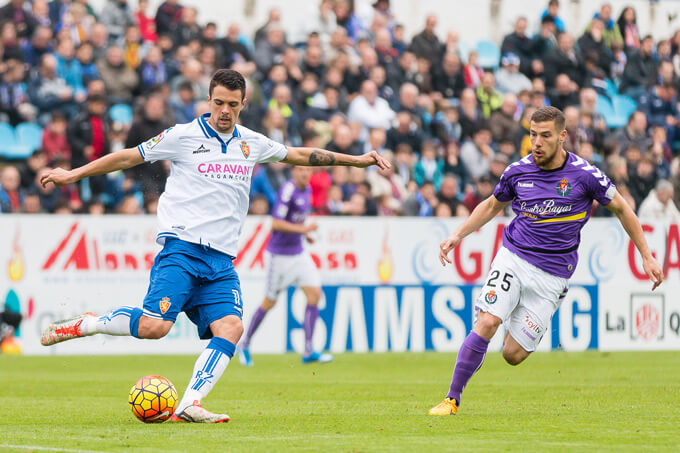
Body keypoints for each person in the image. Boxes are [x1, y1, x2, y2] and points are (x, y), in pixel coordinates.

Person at [38, 69, 389, 423]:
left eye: (232, 105)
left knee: (231, 328)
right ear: (208, 99)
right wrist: (72, 175)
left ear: (243, 104)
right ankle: (89, 324)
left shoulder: (251, 142)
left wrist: (356, 160)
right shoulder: (182, 136)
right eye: (218, 102)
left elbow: (299, 154)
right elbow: (129, 157)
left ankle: (190, 403)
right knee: (154, 328)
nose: (224, 110)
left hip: (221, 261)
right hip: (182, 249)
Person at [428, 106, 663, 416]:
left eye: (545, 136)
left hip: (552, 277)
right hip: (513, 257)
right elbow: (490, 205)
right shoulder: (517, 171)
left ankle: (510, 313)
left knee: (512, 354)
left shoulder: (585, 175)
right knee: (487, 321)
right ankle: (452, 399)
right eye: (532, 135)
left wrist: (646, 255)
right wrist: (458, 234)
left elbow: (622, 208)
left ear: (562, 137)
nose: (536, 143)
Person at [238, 166, 332, 366]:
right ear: (293, 172)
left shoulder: (307, 190)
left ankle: (308, 350)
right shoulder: (287, 191)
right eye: (300, 169)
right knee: (269, 302)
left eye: (308, 170)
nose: (305, 173)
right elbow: (276, 223)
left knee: (314, 294)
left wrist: (304, 234)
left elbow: (296, 219)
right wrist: (304, 228)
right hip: (278, 256)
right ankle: (245, 344)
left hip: (298, 252)